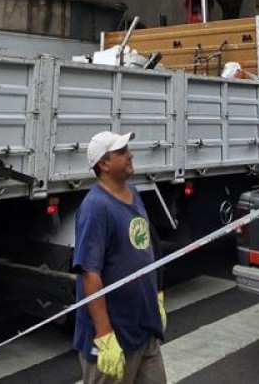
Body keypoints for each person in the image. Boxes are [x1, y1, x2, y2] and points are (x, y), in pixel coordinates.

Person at [73, 131, 166, 384]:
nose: (130, 155)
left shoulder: (133, 193)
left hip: (144, 327)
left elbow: (145, 247)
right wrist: (104, 335)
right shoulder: (95, 207)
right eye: (122, 152)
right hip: (114, 335)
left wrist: (156, 294)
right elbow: (89, 273)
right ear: (103, 164)